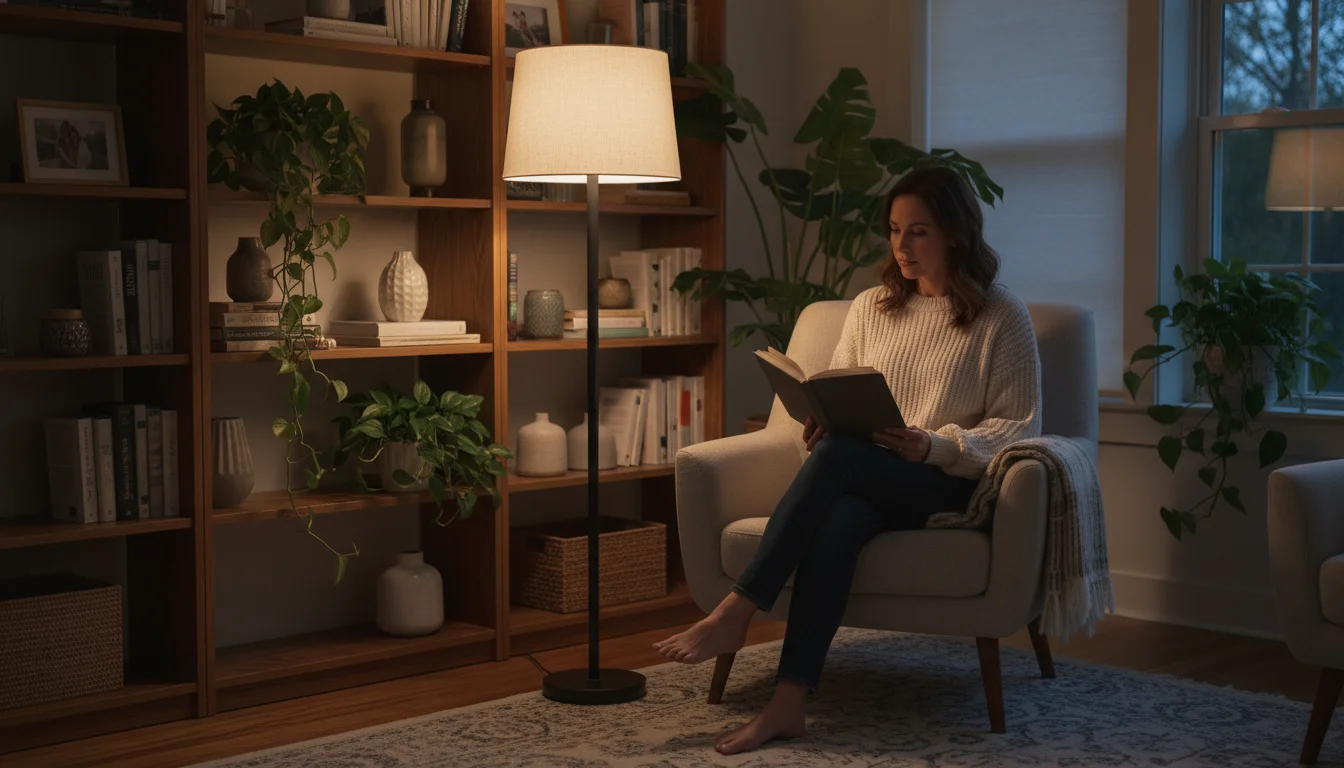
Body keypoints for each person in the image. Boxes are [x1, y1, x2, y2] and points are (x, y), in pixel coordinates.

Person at [653, 165, 1042, 755]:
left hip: (942, 482)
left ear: (956, 233)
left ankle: (739, 606)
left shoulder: (999, 315)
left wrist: (933, 445)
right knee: (837, 521)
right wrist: (822, 416)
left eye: (918, 232)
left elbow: (1016, 426)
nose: (901, 247)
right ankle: (787, 704)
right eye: (893, 230)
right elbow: (841, 384)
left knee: (840, 458)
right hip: (867, 471)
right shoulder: (871, 307)